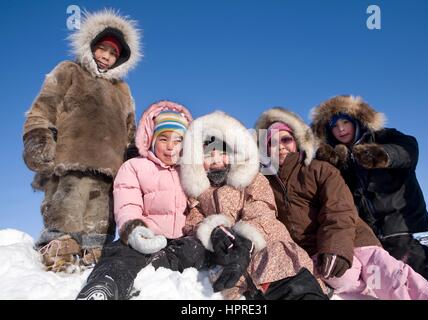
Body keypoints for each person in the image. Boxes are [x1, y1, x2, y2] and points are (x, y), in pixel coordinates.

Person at [255, 107, 428, 299]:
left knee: (394, 275)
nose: (279, 146)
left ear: (297, 141)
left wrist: (383, 155)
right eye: (271, 142)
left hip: (369, 231)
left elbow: (338, 206)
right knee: (351, 282)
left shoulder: (319, 168)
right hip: (328, 245)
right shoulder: (265, 182)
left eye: (286, 139)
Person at [22, 10, 142, 272]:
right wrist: (38, 137)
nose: (106, 57)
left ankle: (92, 255)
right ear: (90, 46)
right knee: (67, 209)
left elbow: (130, 130)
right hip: (71, 160)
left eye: (113, 54)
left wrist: (132, 159)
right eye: (102, 49)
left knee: (99, 220)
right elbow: (42, 109)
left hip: (110, 170)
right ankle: (59, 250)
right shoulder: (69, 71)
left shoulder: (122, 91)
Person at [179, 111, 328, 300]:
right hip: (230, 259)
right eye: (209, 154)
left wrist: (246, 240)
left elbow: (262, 209)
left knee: (282, 267)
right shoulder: (199, 193)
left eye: (223, 152)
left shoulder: (252, 179)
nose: (216, 159)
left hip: (267, 245)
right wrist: (214, 232)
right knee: (236, 289)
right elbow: (194, 220)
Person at [310, 95, 428, 294]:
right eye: (334, 126)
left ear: (357, 120)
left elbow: (409, 150)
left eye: (345, 122)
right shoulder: (334, 157)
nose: (340, 129)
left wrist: (383, 155)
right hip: (366, 228)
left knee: (412, 261)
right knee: (384, 269)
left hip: (396, 218)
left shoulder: (382, 136)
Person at [76, 100, 213, 300]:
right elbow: (128, 203)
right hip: (145, 234)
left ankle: (154, 268)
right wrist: (135, 230)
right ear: (151, 139)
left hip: (180, 240)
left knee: (194, 251)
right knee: (122, 255)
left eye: (177, 141)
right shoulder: (135, 167)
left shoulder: (192, 172)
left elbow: (202, 205)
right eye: (163, 139)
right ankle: (105, 285)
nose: (170, 147)